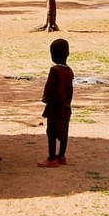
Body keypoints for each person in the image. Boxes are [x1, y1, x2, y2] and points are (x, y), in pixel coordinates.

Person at [38, 38, 74, 168]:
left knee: (51, 132)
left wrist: (47, 102)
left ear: (52, 55)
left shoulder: (54, 71)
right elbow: (70, 90)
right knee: (64, 131)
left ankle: (52, 158)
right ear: (67, 54)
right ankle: (61, 156)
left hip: (55, 106)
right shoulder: (69, 71)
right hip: (65, 106)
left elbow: (50, 89)